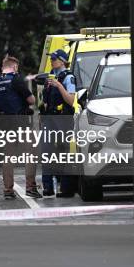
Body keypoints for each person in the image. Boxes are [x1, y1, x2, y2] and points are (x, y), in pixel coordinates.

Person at [0, 55, 41, 199]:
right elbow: (31, 100)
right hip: (20, 122)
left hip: (2, 123)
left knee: (8, 156)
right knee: (30, 154)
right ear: (14, 67)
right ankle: (30, 187)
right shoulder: (15, 79)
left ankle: (8, 190)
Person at [39, 49, 77, 198]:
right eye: (51, 59)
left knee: (63, 152)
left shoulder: (68, 77)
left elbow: (71, 100)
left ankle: (66, 188)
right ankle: (48, 187)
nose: (51, 61)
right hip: (49, 119)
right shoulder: (51, 77)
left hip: (63, 119)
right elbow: (46, 102)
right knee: (46, 152)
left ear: (62, 61)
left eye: (54, 59)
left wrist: (58, 86)